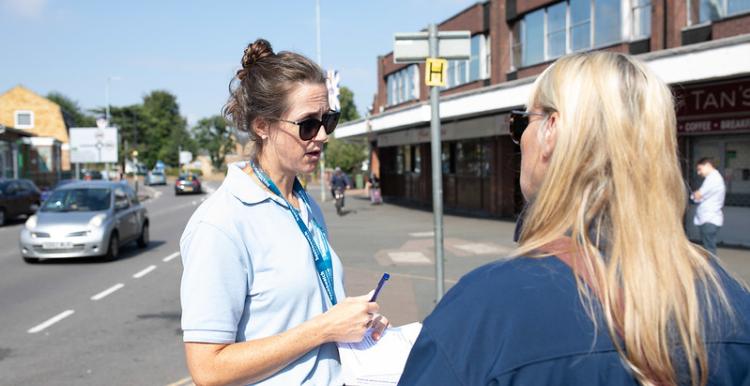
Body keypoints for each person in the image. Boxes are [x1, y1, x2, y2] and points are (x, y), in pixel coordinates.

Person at [398, 52, 750, 385]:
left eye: (523, 121)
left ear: (551, 130)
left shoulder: (487, 309)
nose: (520, 137)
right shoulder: (729, 296)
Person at [179, 38, 387, 386]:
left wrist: (354, 325)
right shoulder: (220, 223)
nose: (321, 136)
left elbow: (299, 314)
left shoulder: (303, 202)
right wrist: (323, 329)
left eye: (328, 120)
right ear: (262, 126)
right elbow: (207, 369)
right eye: (307, 124)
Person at [691, 157, 726, 256]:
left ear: (708, 166)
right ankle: (711, 268)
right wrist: (695, 196)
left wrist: (694, 195)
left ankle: (712, 269)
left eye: (700, 169)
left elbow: (698, 195)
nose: (698, 173)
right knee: (708, 248)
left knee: (709, 249)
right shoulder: (712, 179)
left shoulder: (713, 179)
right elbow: (699, 196)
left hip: (709, 219)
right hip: (708, 218)